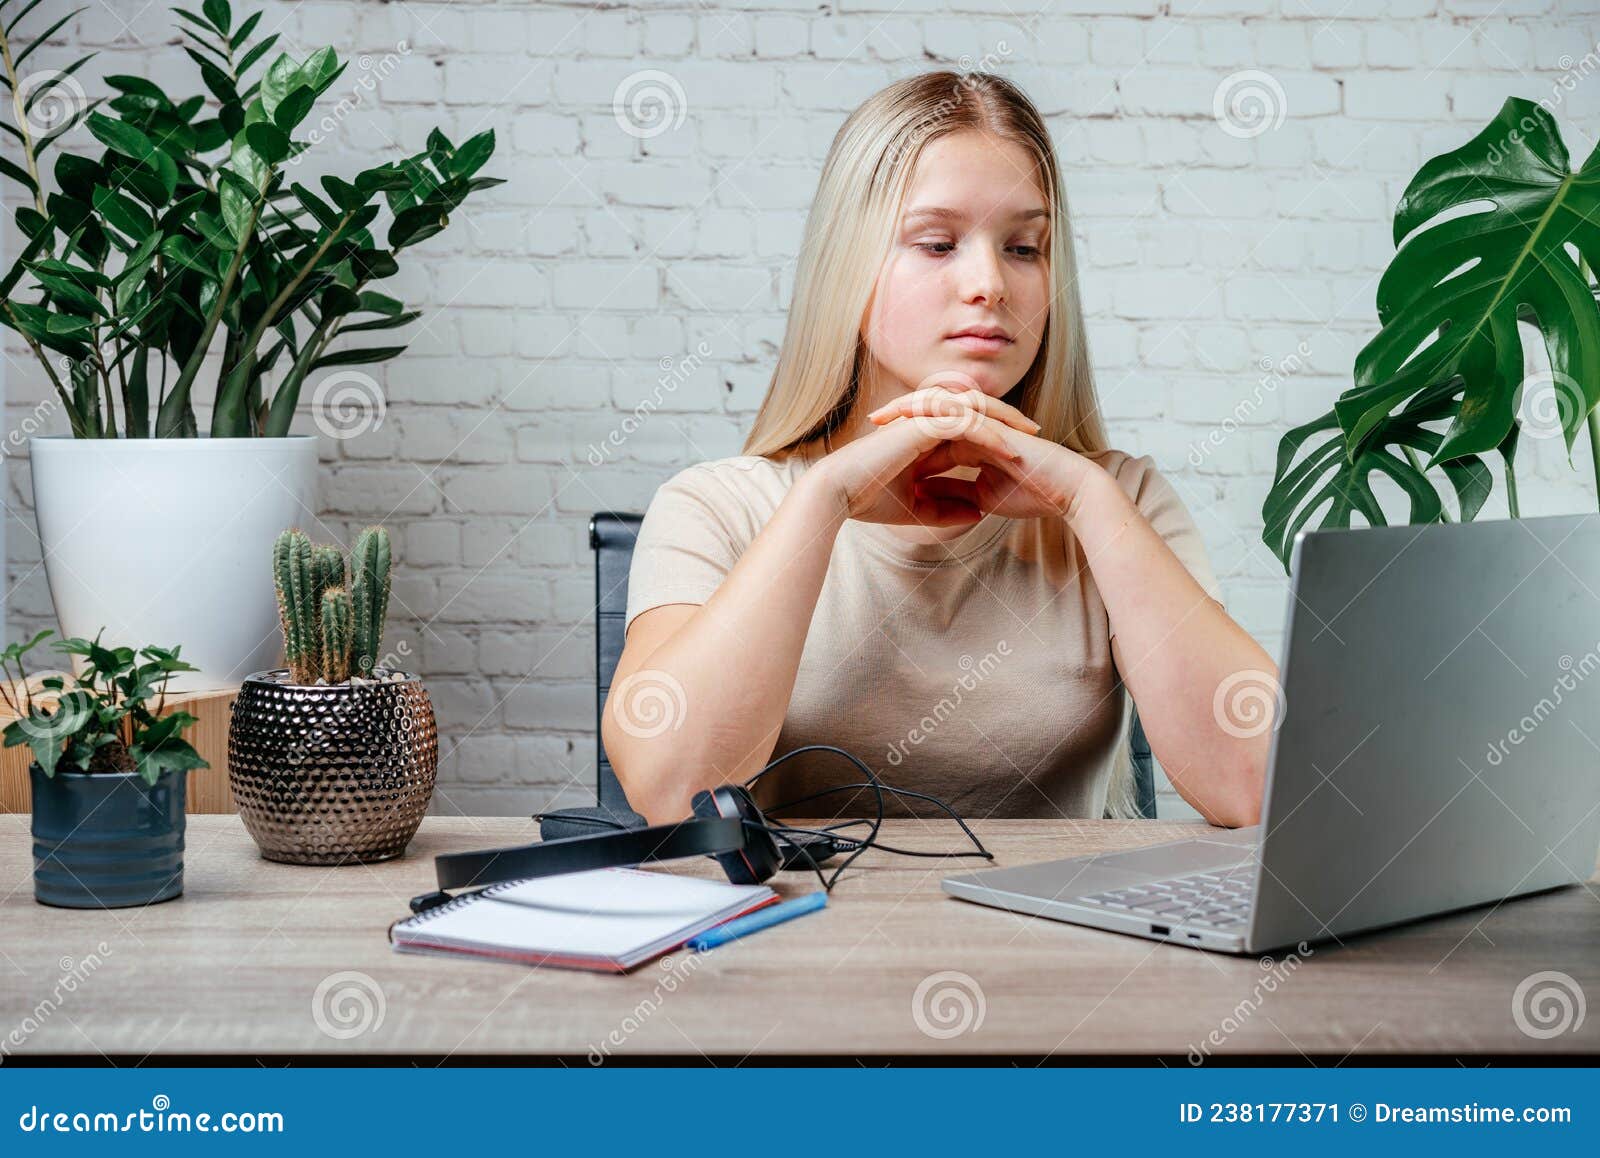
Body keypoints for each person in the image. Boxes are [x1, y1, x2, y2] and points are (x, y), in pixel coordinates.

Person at [603, 70, 1277, 830]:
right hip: (795, 941)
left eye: (1024, 247)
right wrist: (823, 501)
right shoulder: (714, 508)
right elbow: (672, 793)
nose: (990, 283)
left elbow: (1255, 787)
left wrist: (1088, 502)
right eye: (937, 243)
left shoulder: (1121, 497)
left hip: (1065, 940)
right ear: (846, 269)